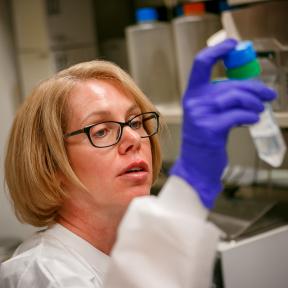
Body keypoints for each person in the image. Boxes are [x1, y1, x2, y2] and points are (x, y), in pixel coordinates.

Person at [0, 39, 276, 288]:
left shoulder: (151, 249)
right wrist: (191, 184)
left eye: (135, 121)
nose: (133, 138)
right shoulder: (43, 275)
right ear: (51, 166)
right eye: (100, 130)